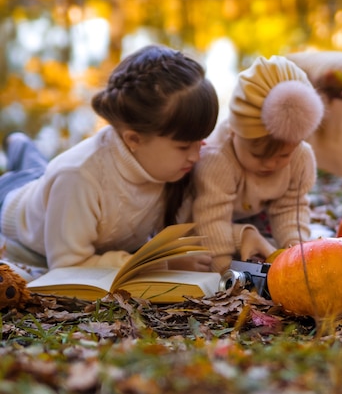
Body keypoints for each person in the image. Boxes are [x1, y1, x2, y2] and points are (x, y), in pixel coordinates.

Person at [0, 44, 219, 278]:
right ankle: (20, 145)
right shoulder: (76, 177)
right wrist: (159, 265)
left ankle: (22, 147)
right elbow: (68, 266)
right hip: (11, 202)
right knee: (34, 173)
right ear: (134, 139)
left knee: (38, 169)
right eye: (184, 146)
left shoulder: (169, 162)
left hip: (47, 186)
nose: (197, 155)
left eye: (200, 141)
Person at [192, 55, 325, 273]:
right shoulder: (217, 159)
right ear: (234, 132)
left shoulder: (300, 158)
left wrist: (295, 252)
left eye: (283, 156)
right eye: (257, 156)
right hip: (203, 219)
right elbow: (211, 224)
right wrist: (226, 273)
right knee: (198, 247)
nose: (271, 165)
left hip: (251, 216)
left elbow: (291, 208)